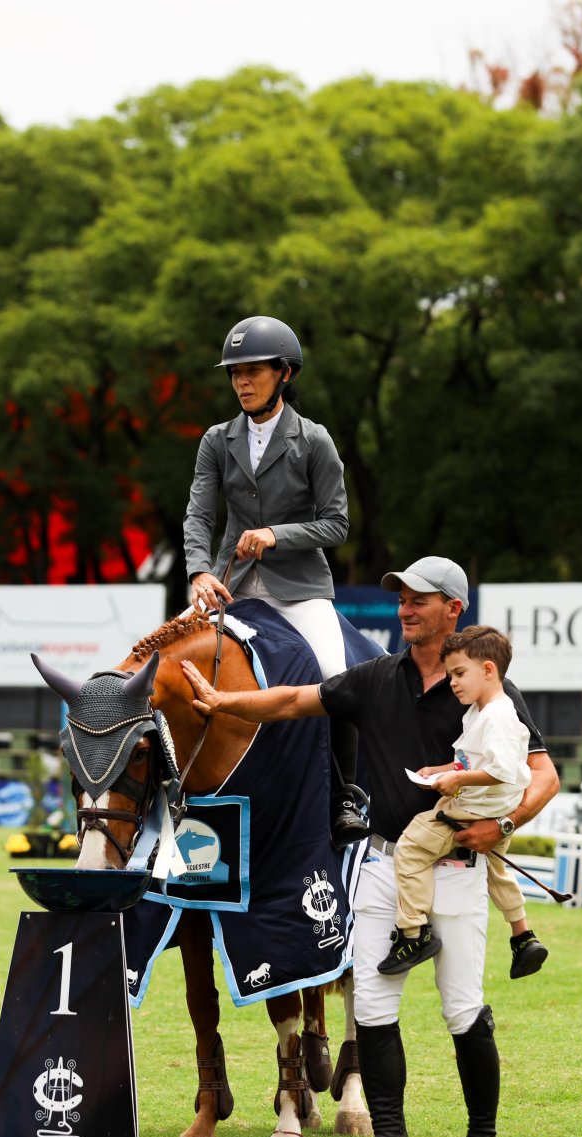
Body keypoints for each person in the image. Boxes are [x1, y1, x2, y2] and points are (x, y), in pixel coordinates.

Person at [181, 556, 560, 1137]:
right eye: (401, 600)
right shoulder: (377, 676)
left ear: (453, 611)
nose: (405, 609)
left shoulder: (488, 690)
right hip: (383, 863)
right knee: (376, 1006)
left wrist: (506, 825)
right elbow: (296, 700)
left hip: (459, 866)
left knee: (462, 1007)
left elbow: (544, 774)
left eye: (419, 600)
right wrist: (226, 701)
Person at [183, 314, 368, 847]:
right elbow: (199, 515)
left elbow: (337, 524)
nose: (241, 381)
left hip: (300, 587)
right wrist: (199, 570)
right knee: (164, 663)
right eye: (234, 373)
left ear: (284, 373)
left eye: (253, 371)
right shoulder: (217, 441)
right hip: (228, 582)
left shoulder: (314, 441)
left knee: (335, 674)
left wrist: (276, 534)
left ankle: (345, 798)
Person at [378, 625, 548, 980]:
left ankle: (413, 933)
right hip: (494, 810)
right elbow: (475, 761)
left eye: (458, 673)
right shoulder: (479, 711)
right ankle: (523, 935)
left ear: (488, 670)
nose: (452, 682)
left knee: (410, 848)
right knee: (497, 873)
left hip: (473, 809)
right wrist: (442, 769)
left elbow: (499, 770)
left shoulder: (497, 717)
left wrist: (457, 780)